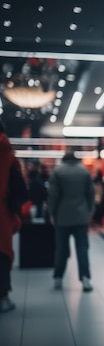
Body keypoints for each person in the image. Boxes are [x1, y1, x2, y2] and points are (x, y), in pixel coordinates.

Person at [47, 150, 96, 292]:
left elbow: (53, 195)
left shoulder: (57, 171)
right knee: (82, 248)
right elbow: (91, 194)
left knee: (61, 248)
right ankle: (85, 278)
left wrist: (51, 212)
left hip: (62, 217)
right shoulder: (84, 171)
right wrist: (90, 211)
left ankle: (58, 277)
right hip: (81, 216)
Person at [0, 120, 28, 313]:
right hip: (1, 212)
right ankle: (3, 297)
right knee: (1, 253)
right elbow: (19, 188)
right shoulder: (7, 153)